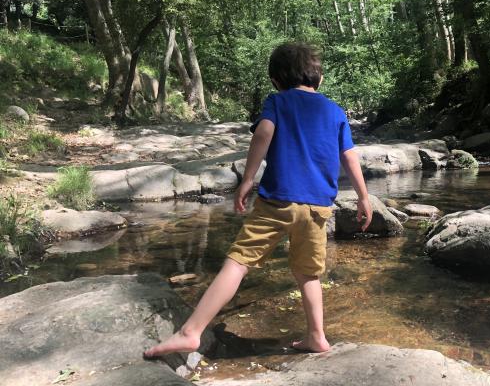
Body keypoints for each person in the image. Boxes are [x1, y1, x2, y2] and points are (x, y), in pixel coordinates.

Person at [144, 42, 372, 357]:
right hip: (318, 206)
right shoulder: (333, 111)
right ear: (317, 79)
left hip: (278, 200)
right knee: (308, 273)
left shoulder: (278, 102)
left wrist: (247, 179)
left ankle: (190, 331)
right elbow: (349, 156)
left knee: (238, 263)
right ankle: (317, 337)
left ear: (277, 80)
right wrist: (363, 196)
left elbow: (263, 134)